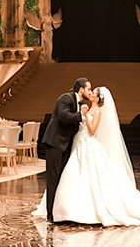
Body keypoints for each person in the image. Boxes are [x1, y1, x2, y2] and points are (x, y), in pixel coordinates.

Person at [33, 87, 140, 226]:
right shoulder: (87, 108)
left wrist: (85, 115)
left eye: (94, 92)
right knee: (74, 175)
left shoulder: (97, 111)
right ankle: (65, 209)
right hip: (79, 143)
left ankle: (86, 211)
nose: (91, 93)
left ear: (99, 98)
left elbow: (92, 130)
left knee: (89, 177)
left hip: (88, 144)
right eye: (91, 91)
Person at [42, 77, 92, 222]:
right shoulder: (66, 98)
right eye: (88, 89)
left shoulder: (79, 103)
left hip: (64, 145)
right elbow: (64, 117)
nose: (89, 92)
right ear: (81, 89)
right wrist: (81, 115)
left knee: (61, 179)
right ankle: (50, 213)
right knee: (53, 179)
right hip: (55, 143)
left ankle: (59, 210)